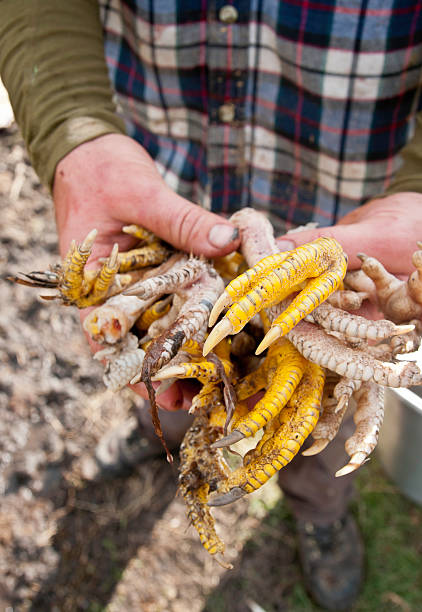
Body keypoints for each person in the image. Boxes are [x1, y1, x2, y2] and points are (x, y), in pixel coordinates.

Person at [2, 1, 422, 609]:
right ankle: (160, 442)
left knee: (313, 418)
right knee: (171, 375)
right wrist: (73, 129)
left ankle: (318, 512)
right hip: (158, 197)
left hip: (353, 232)